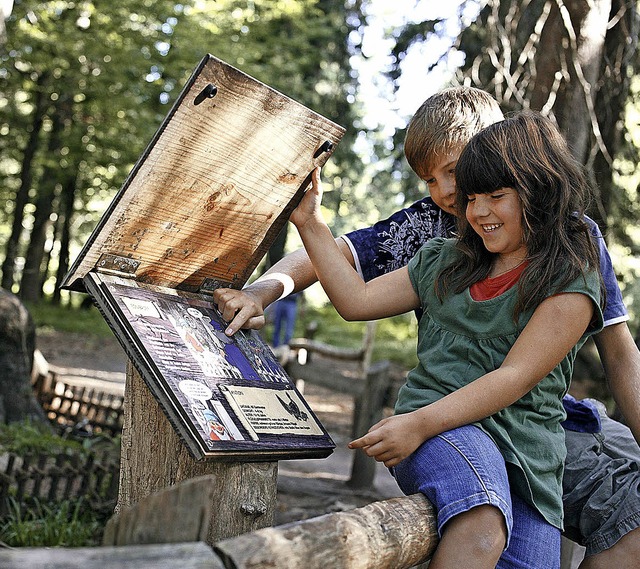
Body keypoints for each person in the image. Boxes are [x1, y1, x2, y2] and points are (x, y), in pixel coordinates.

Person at [213, 87, 640, 567]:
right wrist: (270, 278)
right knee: (481, 520)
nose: (456, 199)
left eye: (463, 176)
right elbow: (347, 277)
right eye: (434, 181)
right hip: (449, 418)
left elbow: (606, 356)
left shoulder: (573, 248)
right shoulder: (437, 244)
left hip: (538, 431)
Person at [294, 111, 605, 567]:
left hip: (527, 459)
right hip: (441, 429)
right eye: (472, 198)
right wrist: (310, 223)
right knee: (479, 526)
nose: (478, 212)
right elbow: (356, 301)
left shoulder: (569, 281)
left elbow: (514, 377)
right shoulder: (446, 261)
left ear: (538, 190)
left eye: (496, 196)